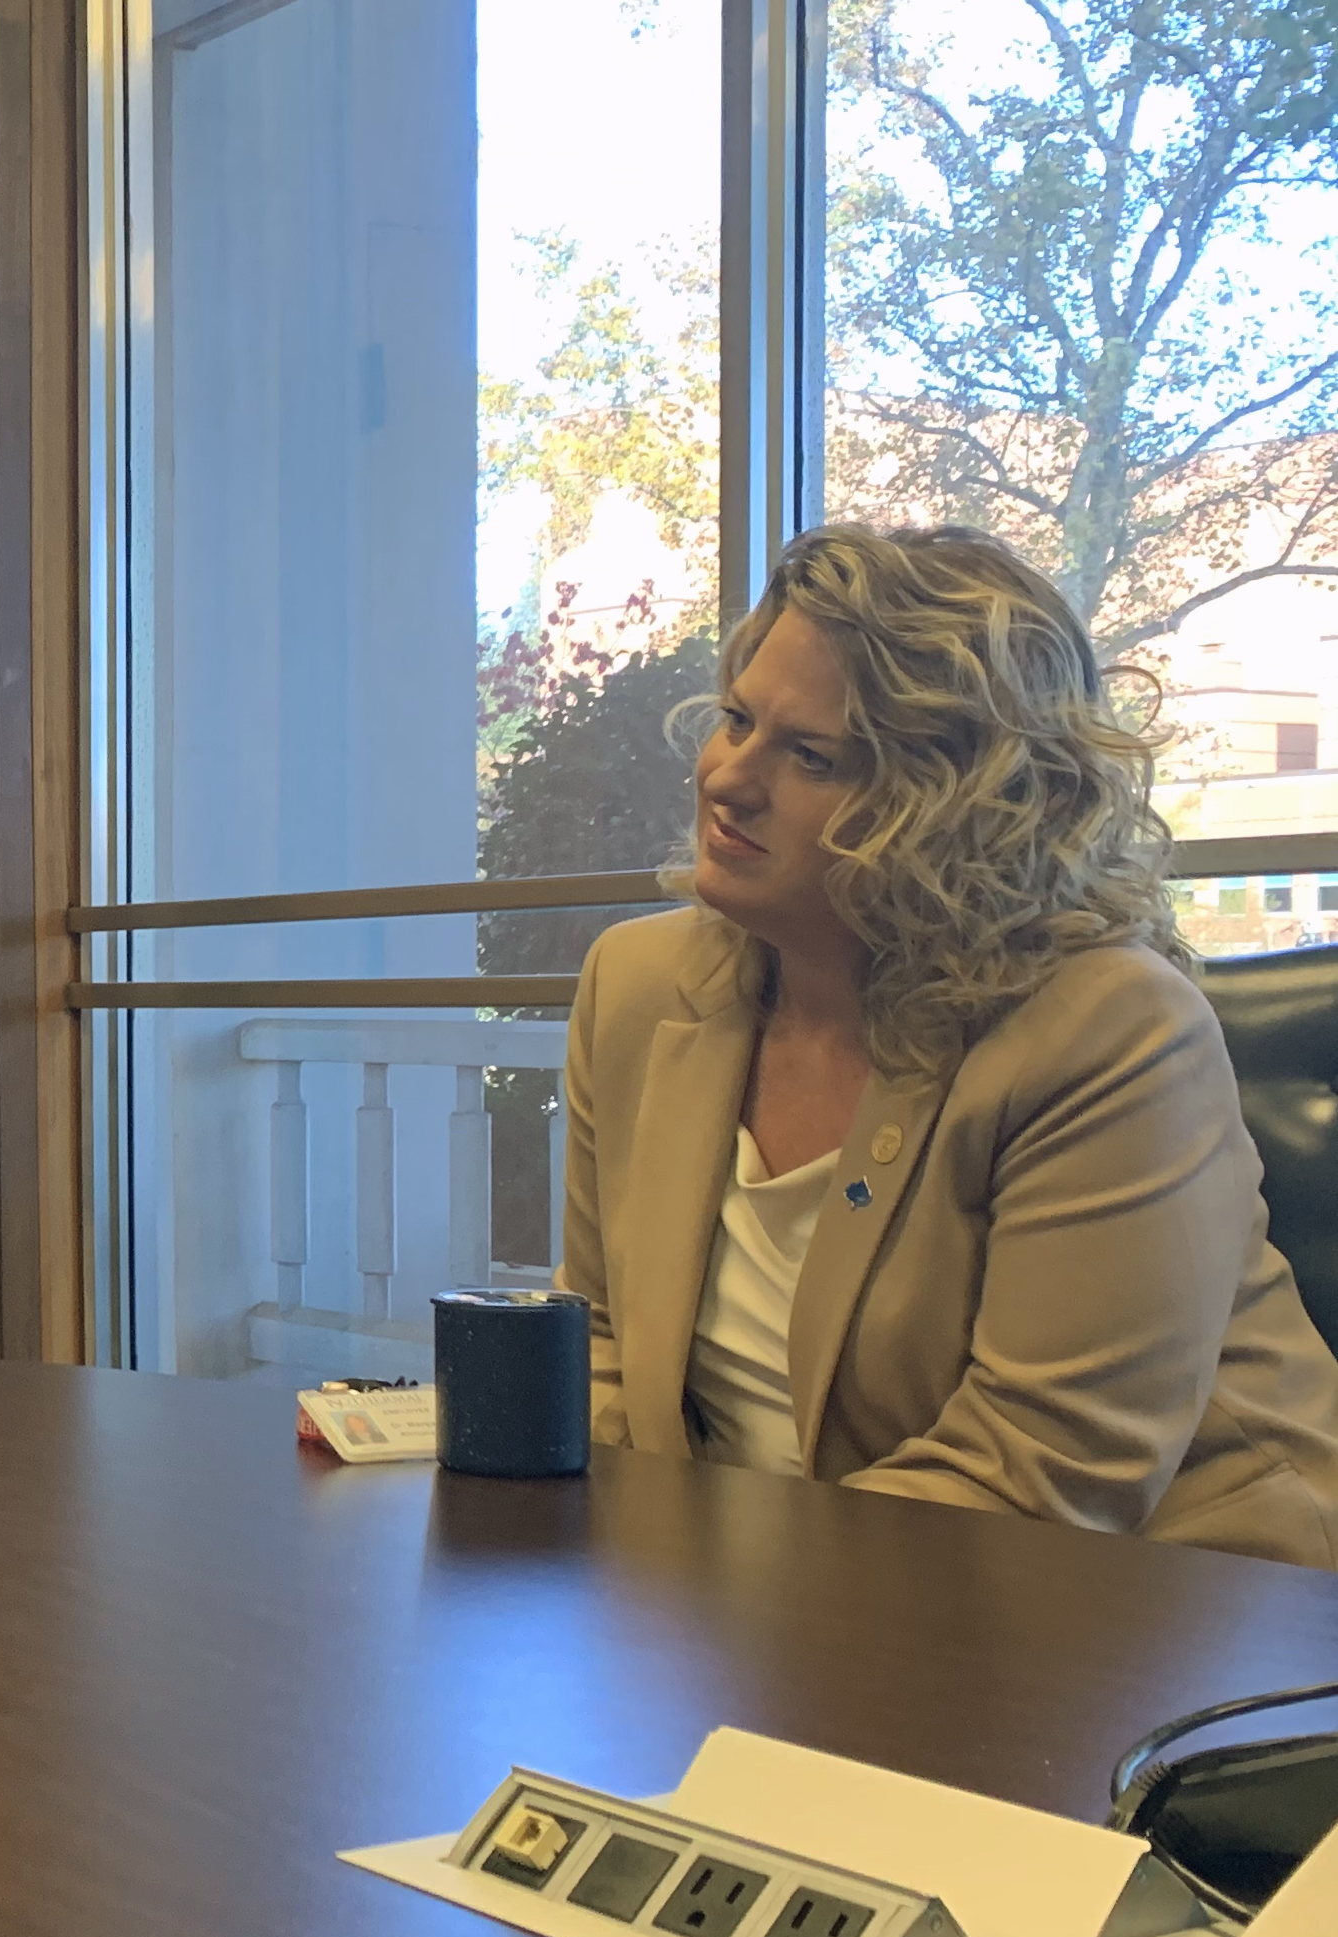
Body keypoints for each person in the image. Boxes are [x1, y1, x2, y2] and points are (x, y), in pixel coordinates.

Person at [558, 522, 1338, 1564]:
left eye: (811, 756)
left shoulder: (1108, 1031)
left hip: (1162, 1606)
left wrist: (715, 1609)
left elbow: (1036, 1472)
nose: (727, 779)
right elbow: (600, 1348)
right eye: (737, 720)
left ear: (958, 810)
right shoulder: (635, 984)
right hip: (774, 1612)